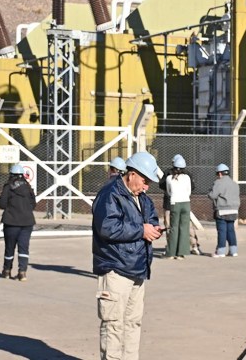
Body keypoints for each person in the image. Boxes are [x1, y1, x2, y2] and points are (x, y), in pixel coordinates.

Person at [92, 151, 162, 360]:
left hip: (137, 268)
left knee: (133, 322)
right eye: (144, 180)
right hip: (116, 269)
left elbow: (150, 218)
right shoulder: (110, 194)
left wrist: (153, 229)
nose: (146, 186)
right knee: (113, 324)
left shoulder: (143, 198)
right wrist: (142, 230)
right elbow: (107, 227)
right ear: (132, 174)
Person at [0, 163, 37, 281]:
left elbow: (2, 204)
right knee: (24, 247)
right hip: (27, 222)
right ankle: (22, 272)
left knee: (9, 247)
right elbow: (33, 204)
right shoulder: (28, 187)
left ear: (11, 174)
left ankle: (6, 271)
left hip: (11, 222)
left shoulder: (8, 187)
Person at [163, 154, 193, 260]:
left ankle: (171, 252)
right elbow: (189, 191)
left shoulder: (169, 178)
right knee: (184, 228)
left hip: (174, 203)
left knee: (174, 228)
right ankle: (182, 253)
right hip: (186, 203)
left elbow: (168, 192)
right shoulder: (187, 177)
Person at [208, 163, 240, 258]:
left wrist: (209, 192)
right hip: (234, 210)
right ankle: (233, 250)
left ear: (220, 174)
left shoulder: (218, 183)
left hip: (222, 210)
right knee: (231, 230)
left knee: (222, 231)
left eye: (217, 174)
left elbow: (212, 195)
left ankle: (220, 251)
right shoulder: (234, 184)